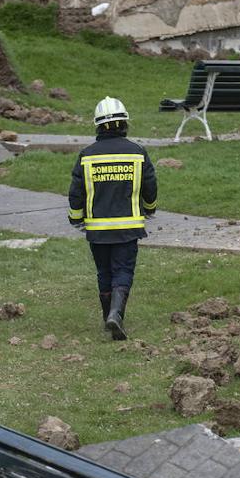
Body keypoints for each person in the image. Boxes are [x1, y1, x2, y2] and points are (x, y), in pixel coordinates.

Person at [68, 97, 158, 341]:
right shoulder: (137, 153)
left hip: (97, 230)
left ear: (97, 125)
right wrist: (150, 208)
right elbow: (150, 185)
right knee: (123, 270)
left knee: (103, 272)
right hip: (128, 227)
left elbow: (76, 191)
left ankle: (109, 316)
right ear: (124, 123)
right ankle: (116, 315)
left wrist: (75, 218)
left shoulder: (87, 156)